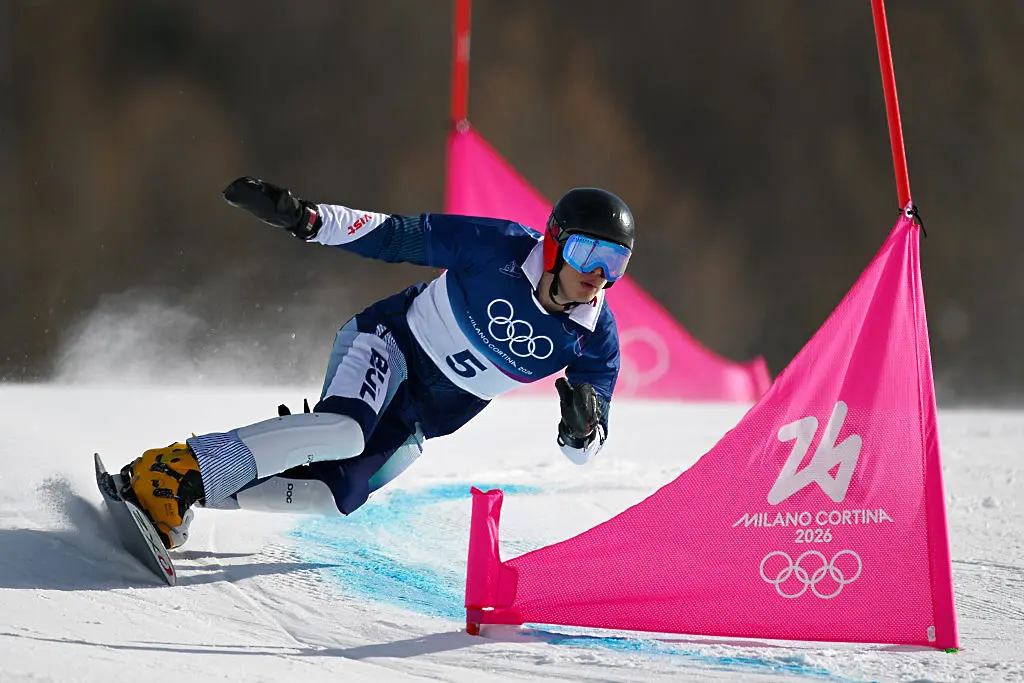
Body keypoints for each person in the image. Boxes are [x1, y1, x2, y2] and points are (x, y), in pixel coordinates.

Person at [117, 177, 635, 549]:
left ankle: (190, 493)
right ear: (555, 244)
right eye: (589, 252)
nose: (597, 274)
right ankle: (172, 470)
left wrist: (580, 430)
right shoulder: (496, 247)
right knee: (344, 431)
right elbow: (393, 234)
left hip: (422, 418)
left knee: (333, 495)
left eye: (614, 262)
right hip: (389, 343)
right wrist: (308, 220)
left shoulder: (596, 336)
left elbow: (585, 454)